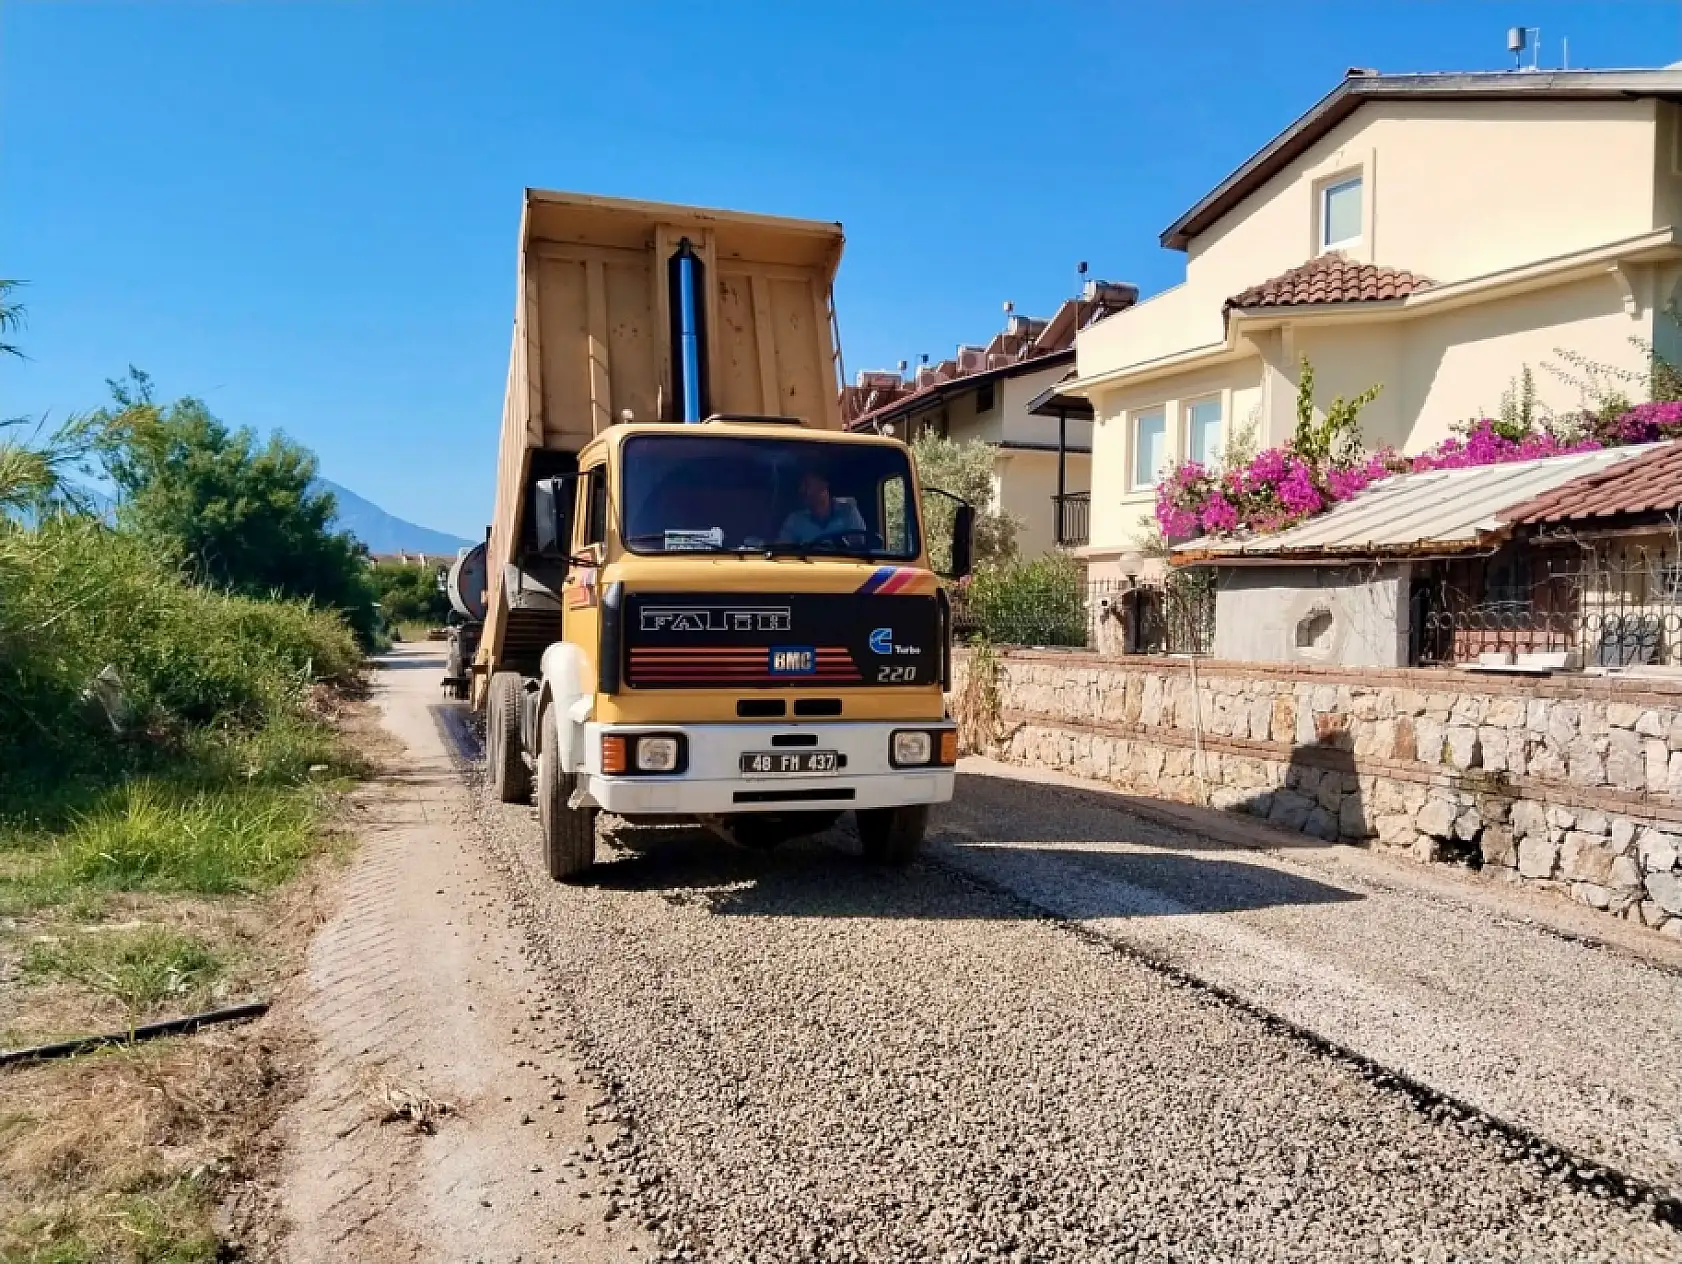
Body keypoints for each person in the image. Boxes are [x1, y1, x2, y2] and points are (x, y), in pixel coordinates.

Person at [777, 468, 866, 546]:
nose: (801, 490)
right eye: (801, 486)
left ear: (823, 485)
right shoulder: (795, 520)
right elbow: (783, 552)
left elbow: (859, 548)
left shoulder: (848, 512)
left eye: (807, 485)